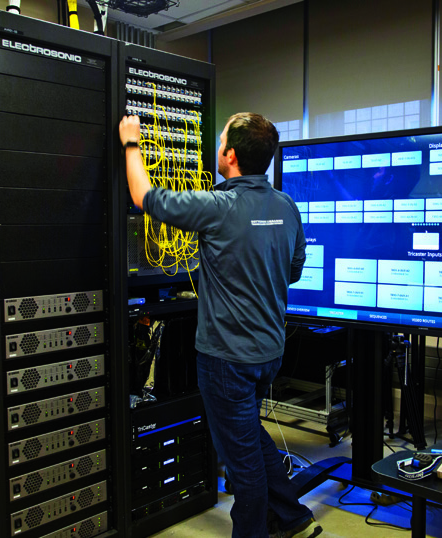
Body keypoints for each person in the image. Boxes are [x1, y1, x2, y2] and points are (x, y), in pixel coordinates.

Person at [120, 112, 319, 538]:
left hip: (227, 359)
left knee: (242, 466)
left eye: (221, 139)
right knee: (248, 436)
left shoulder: (218, 206)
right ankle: (293, 518)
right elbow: (295, 270)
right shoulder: (285, 206)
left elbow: (144, 197)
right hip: (268, 353)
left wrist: (131, 142)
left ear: (229, 155)